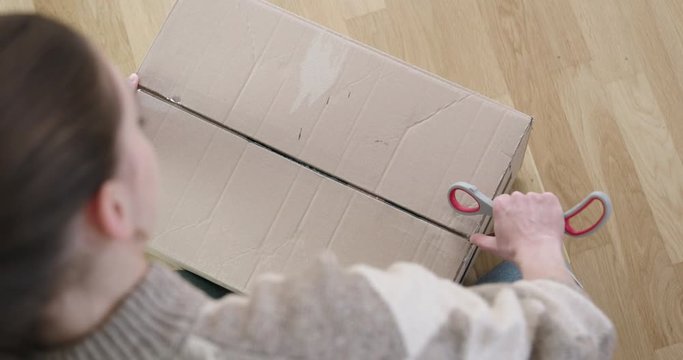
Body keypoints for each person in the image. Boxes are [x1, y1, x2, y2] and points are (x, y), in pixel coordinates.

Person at [0, 14, 615, 359]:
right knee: (524, 286)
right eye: (132, 123)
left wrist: (84, 142)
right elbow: (570, 342)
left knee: (211, 269)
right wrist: (537, 248)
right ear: (111, 206)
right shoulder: (331, 323)